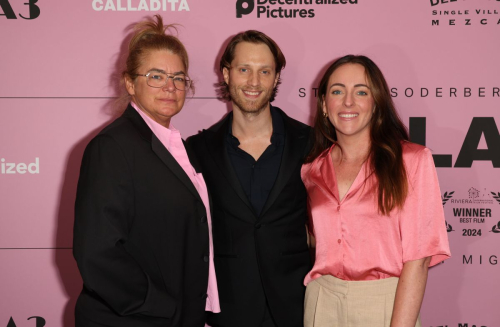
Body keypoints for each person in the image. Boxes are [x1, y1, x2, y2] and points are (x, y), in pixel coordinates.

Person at [73, 15, 219, 327]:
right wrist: (158, 305)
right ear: (130, 83)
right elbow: (96, 253)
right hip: (136, 319)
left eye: (179, 78)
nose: (170, 86)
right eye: (156, 76)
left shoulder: (179, 146)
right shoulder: (112, 147)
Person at [301, 54, 451, 327]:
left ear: (377, 103)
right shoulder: (312, 170)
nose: (348, 102)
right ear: (324, 104)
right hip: (321, 301)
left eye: (361, 91)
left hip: (384, 302)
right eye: (337, 91)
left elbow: (418, 260)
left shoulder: (412, 161)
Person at [187, 31, 312, 327]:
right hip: (231, 309)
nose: (254, 82)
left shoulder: (311, 143)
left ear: (276, 77)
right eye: (244, 70)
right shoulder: (197, 150)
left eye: (264, 71)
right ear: (227, 74)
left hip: (299, 306)